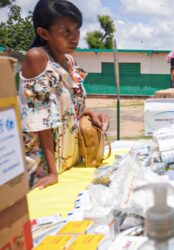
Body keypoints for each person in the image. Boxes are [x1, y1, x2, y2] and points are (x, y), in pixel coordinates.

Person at [19, 0, 108, 189]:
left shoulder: (69, 60)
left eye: (76, 29)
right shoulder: (37, 58)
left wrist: (88, 113)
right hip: (44, 167)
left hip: (70, 159)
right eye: (65, 32)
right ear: (44, 33)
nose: (74, 37)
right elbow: (40, 120)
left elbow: (69, 108)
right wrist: (52, 171)